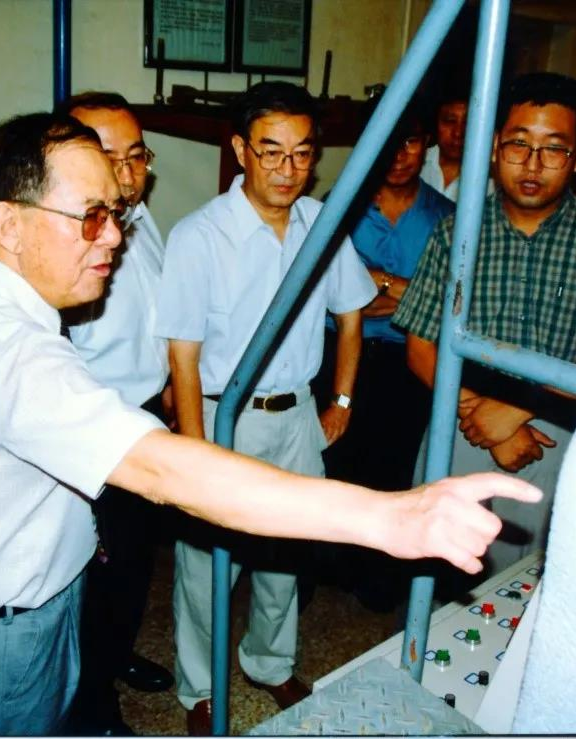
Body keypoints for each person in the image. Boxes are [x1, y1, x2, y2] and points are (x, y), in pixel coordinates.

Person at [0, 111, 541, 736]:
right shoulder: (3, 347)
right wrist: (390, 516)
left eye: (114, 213)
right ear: (9, 223)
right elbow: (163, 469)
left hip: (11, 608)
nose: (113, 236)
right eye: (91, 216)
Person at [154, 81, 377, 734]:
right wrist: (196, 450)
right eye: (271, 151)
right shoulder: (201, 235)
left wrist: (340, 399)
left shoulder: (320, 225)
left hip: (297, 416)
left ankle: (269, 661)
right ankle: (200, 687)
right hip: (225, 417)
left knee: (289, 552)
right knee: (207, 567)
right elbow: (183, 354)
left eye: (302, 153)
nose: (288, 168)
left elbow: (352, 314)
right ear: (240, 149)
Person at [394, 72, 576, 574]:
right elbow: (421, 347)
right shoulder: (454, 233)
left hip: (557, 435)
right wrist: (483, 420)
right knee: (436, 570)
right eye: (518, 144)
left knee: (537, 578)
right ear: (494, 147)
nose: (532, 165)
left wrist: (514, 410)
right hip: (459, 423)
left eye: (553, 149)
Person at [54, 91, 172, 735]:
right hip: (94, 432)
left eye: (137, 157)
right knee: (93, 580)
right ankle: (92, 708)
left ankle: (115, 657)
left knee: (132, 568)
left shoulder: (141, 220)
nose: (126, 175)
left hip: (146, 416)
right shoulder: (63, 242)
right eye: (109, 159)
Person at [312, 96, 454, 611]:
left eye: (410, 141)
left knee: (393, 468)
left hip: (406, 357)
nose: (398, 155)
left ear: (426, 144)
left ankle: (377, 580)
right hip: (338, 350)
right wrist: (400, 293)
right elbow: (327, 292)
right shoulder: (339, 205)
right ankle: (324, 571)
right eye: (387, 143)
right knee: (332, 462)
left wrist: (382, 282)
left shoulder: (446, 217)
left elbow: (448, 300)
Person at [421, 85, 494, 202]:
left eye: (468, 122)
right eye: (450, 121)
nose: (458, 133)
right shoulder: (414, 165)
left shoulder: (491, 182)